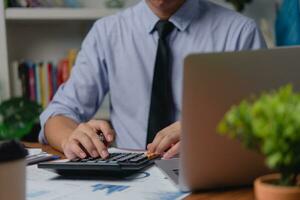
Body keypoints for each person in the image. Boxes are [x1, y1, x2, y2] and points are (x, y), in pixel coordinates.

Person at [39, 0, 266, 160]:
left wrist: (207, 134)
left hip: (209, 174)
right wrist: (72, 137)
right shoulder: (107, 32)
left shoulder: (239, 32)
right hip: (129, 182)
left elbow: (266, 126)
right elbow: (58, 114)